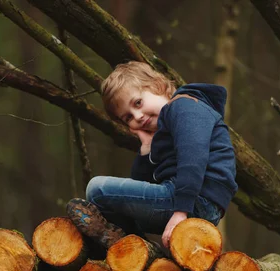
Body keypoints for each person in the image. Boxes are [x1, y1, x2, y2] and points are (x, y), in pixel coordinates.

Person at [67, 61, 237, 249]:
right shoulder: (165, 131)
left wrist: (181, 211)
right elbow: (141, 187)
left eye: (138, 103)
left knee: (97, 190)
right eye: (128, 117)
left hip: (197, 200)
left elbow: (193, 159)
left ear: (157, 86)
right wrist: (146, 148)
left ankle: (130, 246)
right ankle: (137, 252)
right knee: (115, 210)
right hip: (189, 200)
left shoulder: (185, 107)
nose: (137, 116)